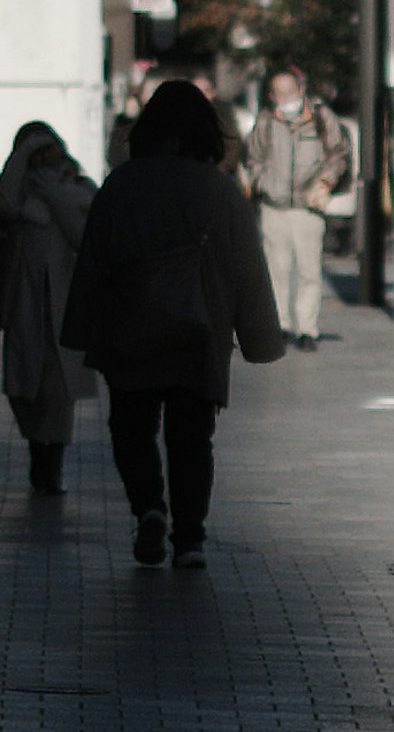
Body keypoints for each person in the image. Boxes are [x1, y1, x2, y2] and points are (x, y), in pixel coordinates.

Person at [61, 76, 283, 567]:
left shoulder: (121, 185)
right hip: (198, 328)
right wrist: (260, 338)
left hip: (130, 326)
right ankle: (190, 538)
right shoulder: (218, 190)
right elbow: (247, 267)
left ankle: (148, 510)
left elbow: (93, 261)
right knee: (191, 438)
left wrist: (78, 329)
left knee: (132, 428)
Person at [0, 120, 95, 496]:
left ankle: (49, 463)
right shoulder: (18, 194)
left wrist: (55, 191)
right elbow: (5, 201)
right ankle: (39, 450)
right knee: (23, 385)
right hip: (24, 304)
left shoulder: (75, 188)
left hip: (62, 306)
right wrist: (20, 158)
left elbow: (82, 230)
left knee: (57, 391)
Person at [244, 64, 350, 348]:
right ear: (271, 95)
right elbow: (253, 157)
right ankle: (279, 325)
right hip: (274, 205)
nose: (285, 98)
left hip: (308, 206)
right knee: (275, 269)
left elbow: (338, 153)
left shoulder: (319, 117)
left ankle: (307, 329)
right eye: (278, 93)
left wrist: (326, 180)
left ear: (301, 90)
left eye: (289, 92)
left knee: (308, 269)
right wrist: (262, 183)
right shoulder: (266, 121)